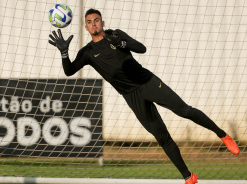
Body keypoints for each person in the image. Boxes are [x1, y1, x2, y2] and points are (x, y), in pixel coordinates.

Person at [48, 8, 240, 184]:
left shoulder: (115, 34)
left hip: (147, 82)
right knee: (161, 136)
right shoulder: (87, 52)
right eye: (89, 22)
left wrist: (121, 42)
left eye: (97, 20)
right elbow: (70, 71)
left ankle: (222, 135)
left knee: (184, 110)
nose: (94, 24)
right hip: (131, 96)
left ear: (103, 23)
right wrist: (64, 53)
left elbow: (142, 48)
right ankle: (188, 177)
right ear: (85, 26)